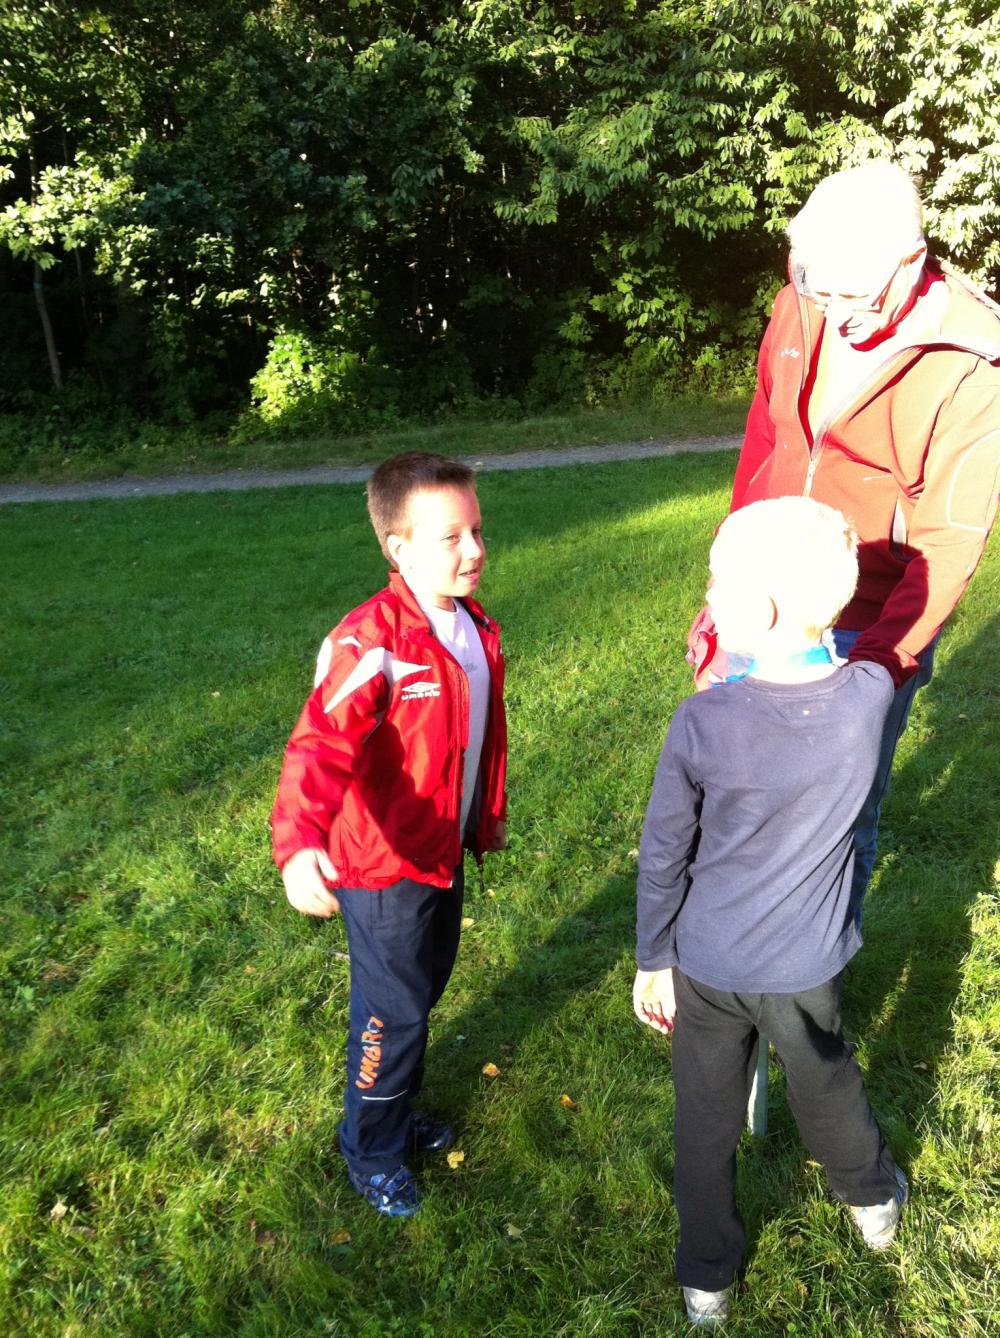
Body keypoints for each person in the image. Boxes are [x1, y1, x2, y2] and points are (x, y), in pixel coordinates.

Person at [690, 160, 1000, 914]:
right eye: (816, 289)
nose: (832, 316)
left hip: (865, 623)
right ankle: (717, 952)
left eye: (853, 298)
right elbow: (765, 442)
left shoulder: (972, 369)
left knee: (832, 819)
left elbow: (948, 544)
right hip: (759, 598)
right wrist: (728, 589)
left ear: (912, 263)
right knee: (725, 788)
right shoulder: (801, 302)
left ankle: (813, 968)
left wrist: (873, 674)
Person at [636, 497, 907, 1329]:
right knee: (825, 1081)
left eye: (716, 583)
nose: (707, 596)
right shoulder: (869, 699)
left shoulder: (703, 721)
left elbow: (663, 852)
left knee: (705, 1119)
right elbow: (871, 649)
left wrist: (652, 957)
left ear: (758, 610)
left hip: (706, 964)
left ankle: (706, 1276)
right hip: (804, 966)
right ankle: (872, 1199)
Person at [271, 452, 507, 1218]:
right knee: (391, 1013)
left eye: (477, 530)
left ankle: (395, 1115)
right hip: (381, 869)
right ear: (398, 547)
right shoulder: (371, 641)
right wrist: (298, 843)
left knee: (422, 991)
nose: (474, 550)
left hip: (439, 853)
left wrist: (482, 816)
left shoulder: (470, 624)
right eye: (451, 537)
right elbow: (318, 745)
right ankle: (370, 1148)